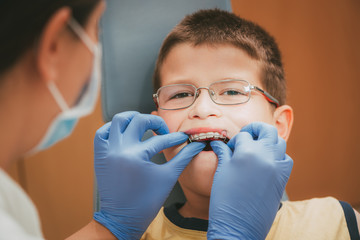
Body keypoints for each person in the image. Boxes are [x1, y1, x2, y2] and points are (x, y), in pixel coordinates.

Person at [139, 9, 360, 239]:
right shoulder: (130, 233)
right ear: (157, 128)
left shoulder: (336, 222)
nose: (202, 109)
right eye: (180, 95)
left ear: (279, 126)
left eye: (232, 91)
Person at [0, 1, 207, 239]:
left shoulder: (11, 202)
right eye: (96, 29)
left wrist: (109, 228)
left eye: (233, 92)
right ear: (54, 44)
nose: (202, 109)